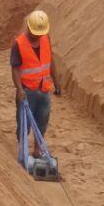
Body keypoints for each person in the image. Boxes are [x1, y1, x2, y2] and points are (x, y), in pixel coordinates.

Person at [10, 10, 61, 158]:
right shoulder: (18, 44)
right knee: (23, 124)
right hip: (27, 91)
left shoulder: (46, 39)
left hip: (44, 89)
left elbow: (50, 61)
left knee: (42, 121)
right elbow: (15, 69)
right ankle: (23, 150)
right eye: (35, 33)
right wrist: (19, 90)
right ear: (28, 27)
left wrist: (57, 84)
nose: (38, 36)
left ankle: (37, 150)